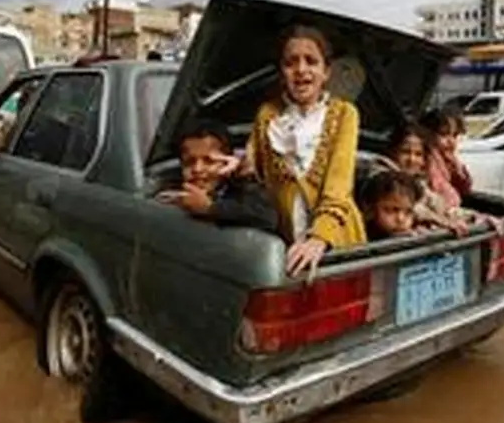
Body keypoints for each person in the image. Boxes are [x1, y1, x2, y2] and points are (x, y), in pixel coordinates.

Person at [221, 24, 367, 279]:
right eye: (291, 62)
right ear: (282, 72)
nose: (301, 69)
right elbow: (256, 166)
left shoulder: (345, 114)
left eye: (311, 61)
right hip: (289, 245)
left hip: (337, 240)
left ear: (326, 72)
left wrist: (319, 237)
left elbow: (339, 186)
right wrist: (239, 166)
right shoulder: (266, 115)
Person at [156, 119, 278, 232]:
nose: (198, 169)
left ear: (227, 162)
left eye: (209, 161)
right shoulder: (169, 192)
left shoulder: (242, 191)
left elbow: (268, 217)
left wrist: (211, 208)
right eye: (189, 162)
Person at [369, 122, 469, 235]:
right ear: (393, 152)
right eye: (405, 152)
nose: (412, 160)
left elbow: (438, 205)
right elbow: (410, 206)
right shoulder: (382, 177)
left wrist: (470, 217)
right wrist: (442, 221)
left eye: (418, 154)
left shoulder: (417, 181)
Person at [419, 106, 473, 209]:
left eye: (455, 135)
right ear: (428, 135)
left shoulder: (449, 161)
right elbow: (439, 189)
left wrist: (458, 171)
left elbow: (465, 190)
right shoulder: (429, 160)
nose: (451, 141)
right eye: (444, 135)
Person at [359, 170, 419, 241]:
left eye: (408, 212)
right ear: (371, 209)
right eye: (391, 210)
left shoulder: (416, 237)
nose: (401, 219)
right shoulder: (359, 237)